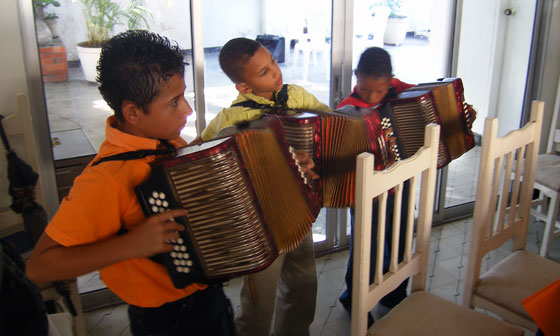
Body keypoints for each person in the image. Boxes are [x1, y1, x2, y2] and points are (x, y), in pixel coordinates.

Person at [25, 30, 237, 336]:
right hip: (167, 320)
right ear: (133, 112)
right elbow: (39, 267)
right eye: (175, 102)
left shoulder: (166, 140)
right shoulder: (104, 180)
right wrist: (130, 245)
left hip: (209, 298)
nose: (188, 110)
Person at [199, 37, 331, 336]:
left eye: (272, 61)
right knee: (259, 301)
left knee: (303, 286)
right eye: (263, 72)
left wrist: (316, 152)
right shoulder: (230, 118)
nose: (275, 72)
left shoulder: (296, 96)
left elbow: (329, 124)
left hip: (300, 208)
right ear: (244, 88)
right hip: (260, 222)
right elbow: (200, 150)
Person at [336, 47, 415, 324]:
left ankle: (393, 293)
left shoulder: (401, 90)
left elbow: (426, 102)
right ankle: (355, 298)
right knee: (365, 247)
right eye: (365, 89)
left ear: (391, 80)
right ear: (356, 76)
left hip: (402, 182)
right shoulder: (346, 109)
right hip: (366, 192)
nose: (371, 97)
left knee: (401, 240)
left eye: (379, 91)